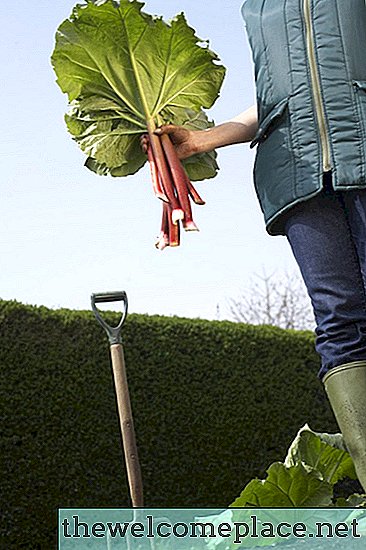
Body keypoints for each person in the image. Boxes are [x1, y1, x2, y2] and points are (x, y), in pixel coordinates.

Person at [154, 0, 366, 492]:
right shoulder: (260, 9)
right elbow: (276, 97)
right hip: (296, 172)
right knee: (338, 316)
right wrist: (207, 137)